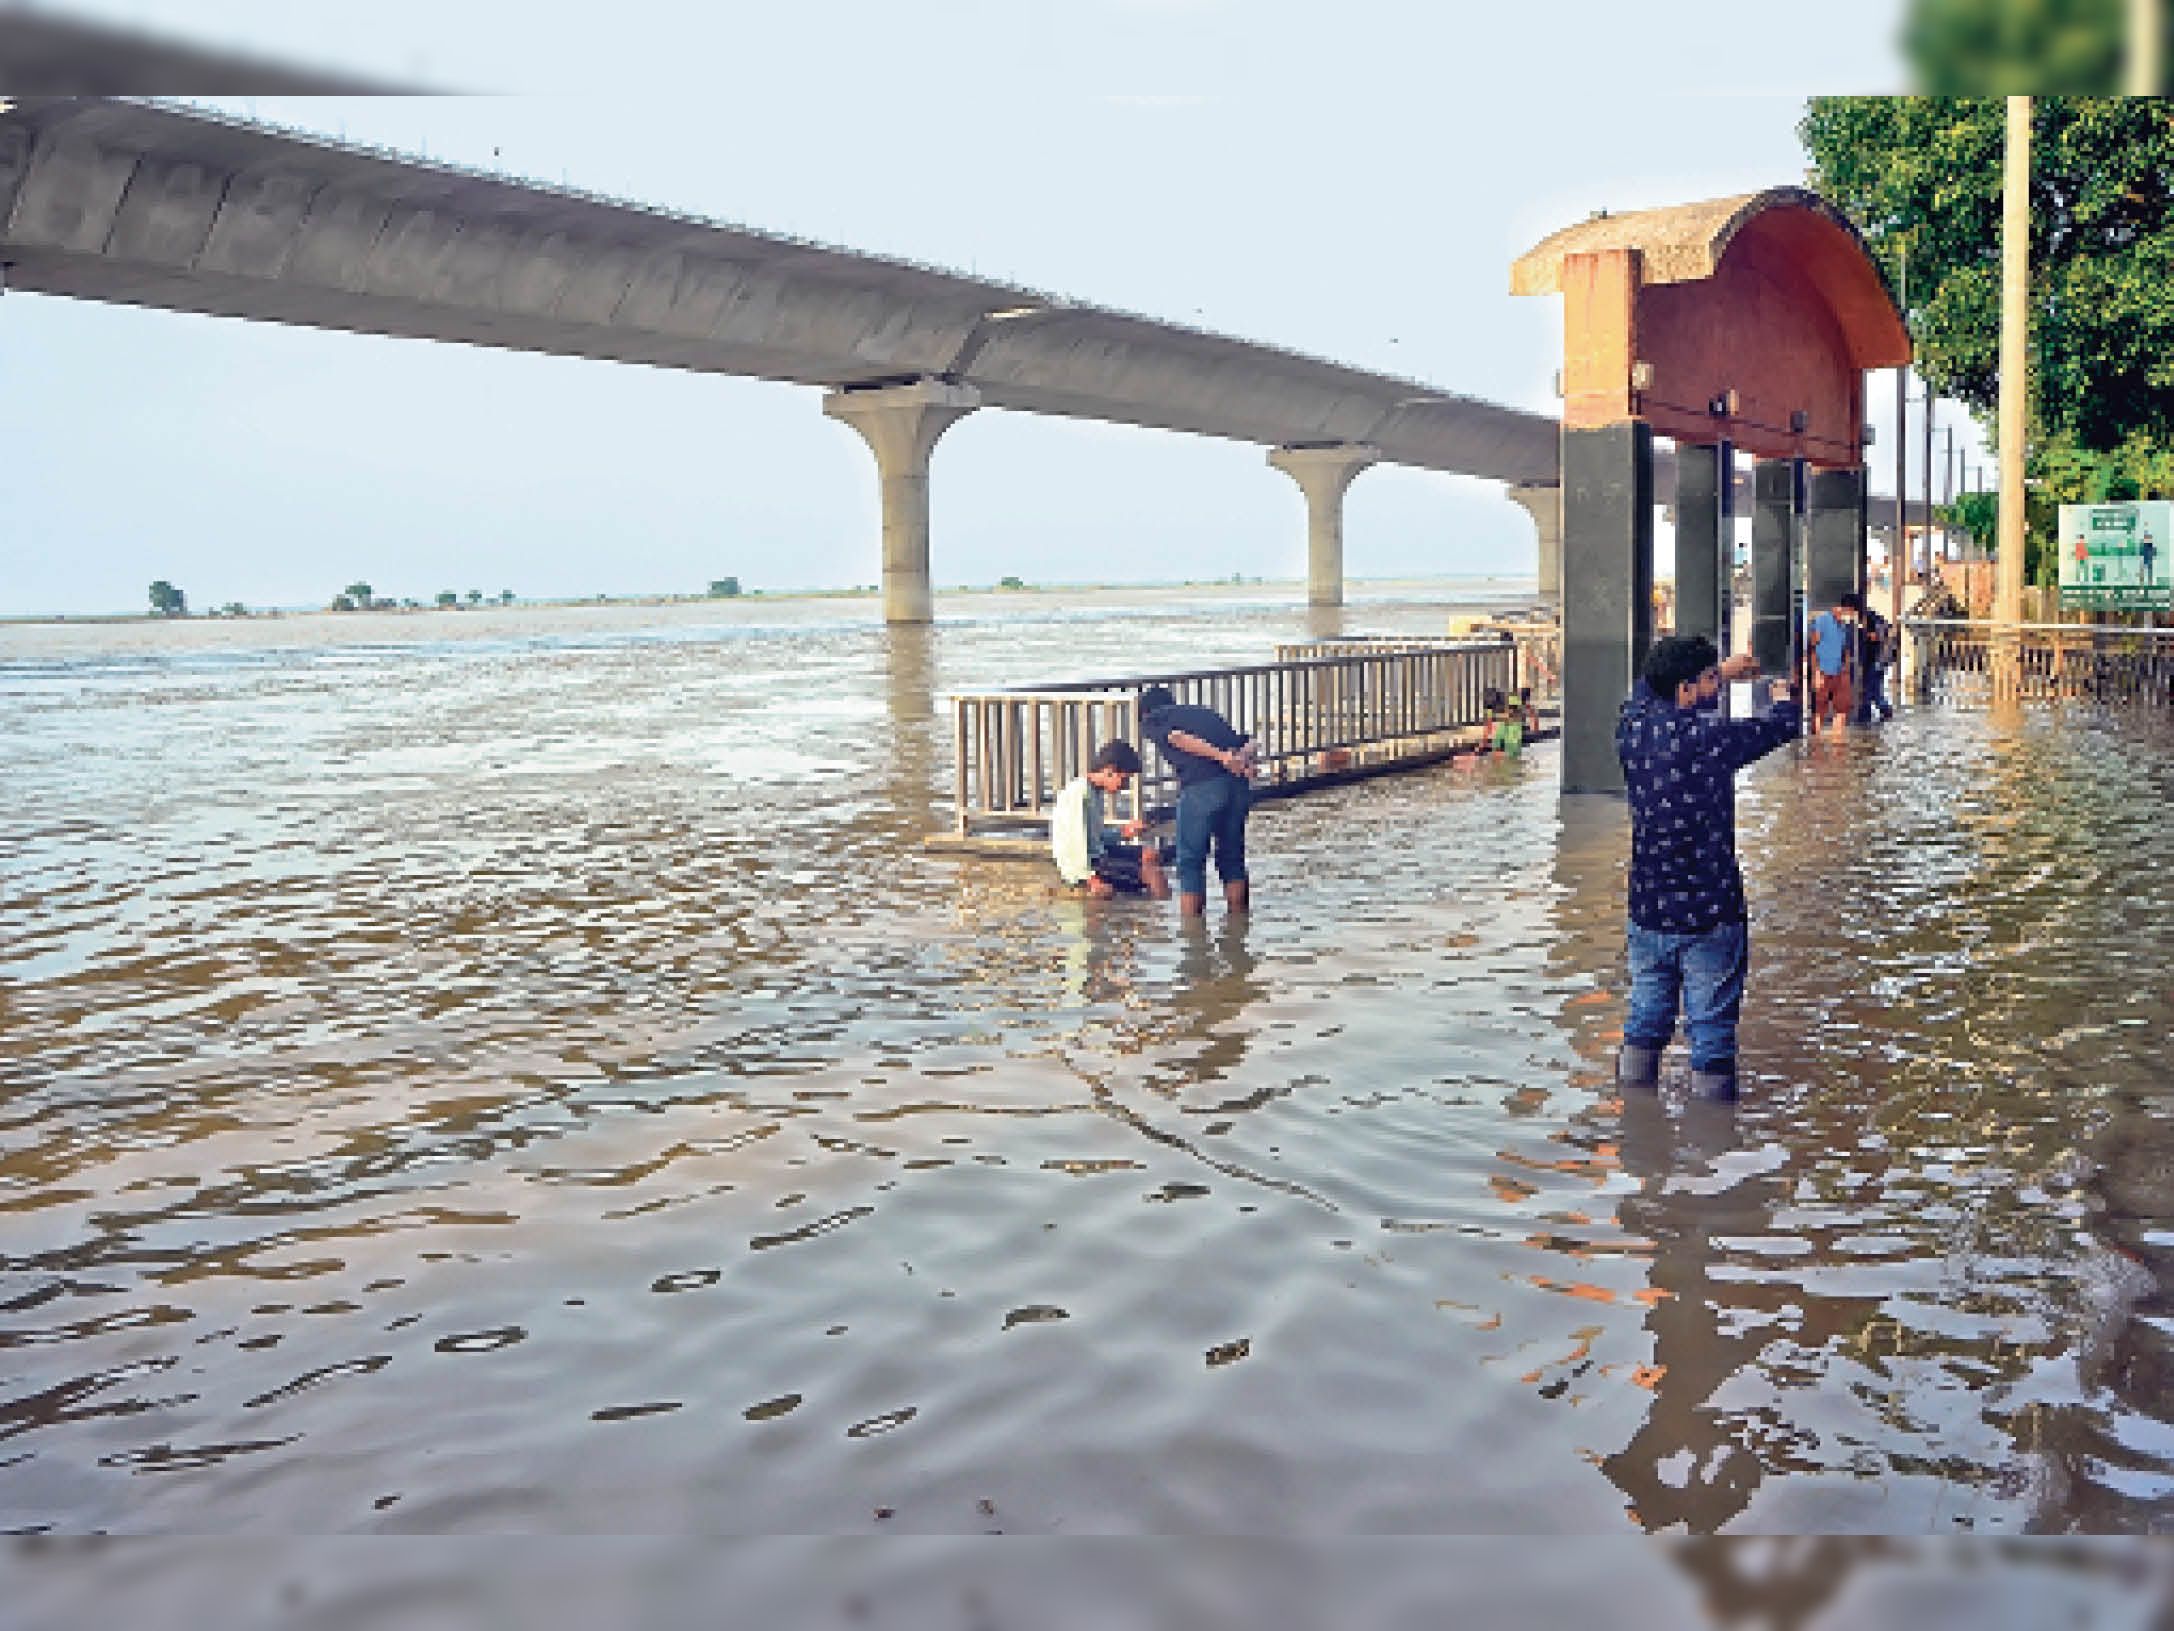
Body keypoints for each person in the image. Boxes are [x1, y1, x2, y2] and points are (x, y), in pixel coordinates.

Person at [1615, 635, 1802, 1102]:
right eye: (1709, 680)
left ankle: (1633, 1124)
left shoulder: (1631, 727)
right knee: (1712, 1034)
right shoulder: (1709, 739)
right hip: (1710, 911)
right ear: (1684, 689)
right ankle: (1712, 1148)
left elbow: (1647, 687)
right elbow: (1782, 726)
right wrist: (1783, 697)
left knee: (1645, 1020)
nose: (1716, 685)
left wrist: (1723, 669)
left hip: (1648, 909)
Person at [1138, 685, 1254, 918]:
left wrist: (1221, 757)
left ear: (1144, 711)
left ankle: (1193, 933)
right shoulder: (1203, 713)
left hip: (1202, 789)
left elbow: (1177, 738)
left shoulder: (1154, 719)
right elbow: (1251, 741)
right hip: (1237, 786)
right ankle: (1238, 921)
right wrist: (1240, 758)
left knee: (1190, 861)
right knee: (1232, 856)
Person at [1050, 741, 1170, 900]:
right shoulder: (1078, 794)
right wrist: (1090, 879)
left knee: (1150, 855)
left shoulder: (1093, 792)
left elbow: (1094, 836)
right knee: (1153, 874)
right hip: (1088, 863)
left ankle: (1151, 904)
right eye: (1125, 779)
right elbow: (1074, 843)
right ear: (1110, 770)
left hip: (1098, 852)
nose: (1125, 786)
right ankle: (1166, 915)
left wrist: (1124, 832)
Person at [1805, 592, 1860, 736]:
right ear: (1846, 608)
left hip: (1839, 672)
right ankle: (1816, 742)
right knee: (1819, 708)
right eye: (1852, 612)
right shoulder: (1822, 621)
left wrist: (1846, 670)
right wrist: (1816, 672)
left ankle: (1838, 742)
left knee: (1843, 708)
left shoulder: (1844, 626)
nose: (1852, 616)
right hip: (1823, 671)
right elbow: (1812, 648)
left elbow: (1845, 649)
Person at [1854, 601, 1895, 723]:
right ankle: (1879, 711)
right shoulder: (1871, 617)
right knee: (1873, 688)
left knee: (1871, 688)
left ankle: (1871, 713)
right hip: (1875, 660)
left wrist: (1870, 635)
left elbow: (1878, 636)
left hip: (1875, 659)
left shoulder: (1870, 618)